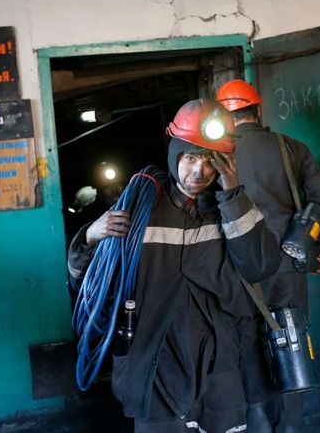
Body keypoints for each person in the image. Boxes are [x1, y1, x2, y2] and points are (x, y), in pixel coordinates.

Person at [67, 98, 281, 433]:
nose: (199, 170)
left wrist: (233, 194)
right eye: (191, 156)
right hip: (154, 358)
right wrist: (90, 237)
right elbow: (89, 288)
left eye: (211, 161)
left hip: (219, 359)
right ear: (174, 153)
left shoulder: (231, 208)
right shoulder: (140, 210)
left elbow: (259, 266)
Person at [216, 79, 320, 432]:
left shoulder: (216, 155)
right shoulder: (292, 148)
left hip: (239, 266)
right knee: (292, 339)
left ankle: (257, 416)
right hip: (287, 263)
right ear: (259, 109)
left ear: (224, 117)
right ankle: (291, 422)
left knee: (249, 339)